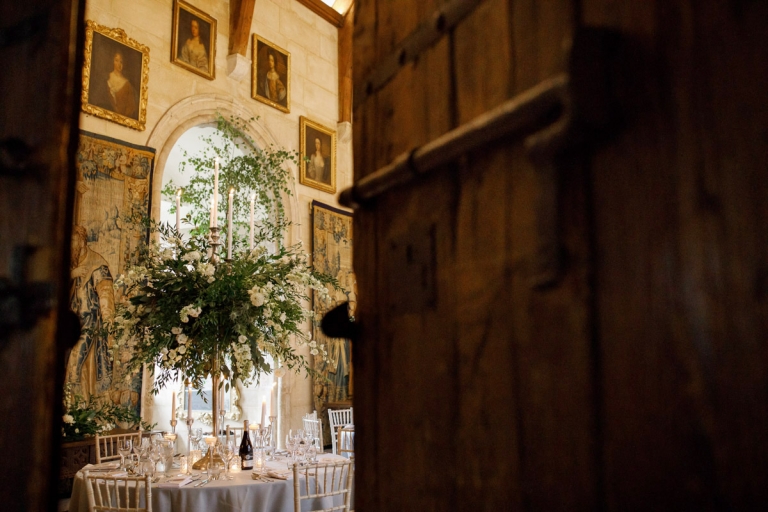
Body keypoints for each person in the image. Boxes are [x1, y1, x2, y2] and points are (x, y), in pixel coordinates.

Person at [68, 225, 115, 401]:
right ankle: (74, 408)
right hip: (70, 324)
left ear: (82, 241)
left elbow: (106, 295)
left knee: (75, 365)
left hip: (89, 324)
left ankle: (77, 406)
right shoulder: (72, 264)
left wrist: (109, 323)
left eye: (74, 240)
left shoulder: (97, 264)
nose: (72, 245)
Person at [106, 51, 137, 117]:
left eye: (121, 62)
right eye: (116, 60)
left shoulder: (127, 84)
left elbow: (131, 108)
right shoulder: (106, 78)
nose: (119, 64)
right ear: (112, 61)